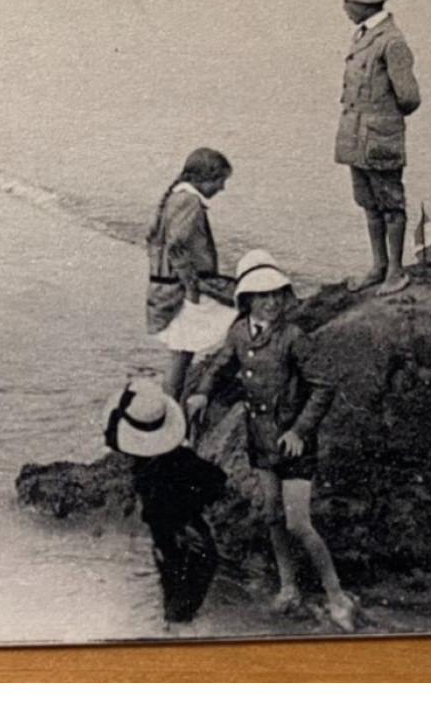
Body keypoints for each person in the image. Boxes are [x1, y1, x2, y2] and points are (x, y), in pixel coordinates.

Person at [185, 250, 357, 632]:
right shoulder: (238, 333)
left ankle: (337, 595)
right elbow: (218, 366)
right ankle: (288, 586)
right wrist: (201, 394)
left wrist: (299, 430)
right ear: (246, 300)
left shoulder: (293, 338)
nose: (273, 301)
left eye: (278, 293)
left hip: (293, 443)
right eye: (263, 295)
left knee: (299, 522)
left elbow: (323, 386)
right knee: (272, 514)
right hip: (260, 442)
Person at [103, 377, 225, 624]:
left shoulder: (149, 474)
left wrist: (181, 524)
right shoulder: (179, 459)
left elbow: (155, 515)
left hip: (180, 545)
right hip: (191, 539)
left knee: (176, 603)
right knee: (181, 602)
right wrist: (194, 511)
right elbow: (217, 480)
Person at [334, 0, 421, 296]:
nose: (344, 6)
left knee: (390, 204)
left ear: (365, 3)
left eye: (348, 0)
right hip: (357, 138)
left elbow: (410, 97)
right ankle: (379, 265)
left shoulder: (392, 41)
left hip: (379, 139)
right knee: (368, 202)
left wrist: (381, 117)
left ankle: (396, 272)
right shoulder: (363, 35)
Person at [146, 148, 236, 402]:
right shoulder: (189, 202)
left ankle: (171, 404)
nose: (222, 188)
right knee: (236, 317)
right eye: (220, 181)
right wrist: (192, 289)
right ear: (205, 178)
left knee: (181, 351)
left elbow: (157, 242)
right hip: (182, 286)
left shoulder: (176, 197)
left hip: (167, 284)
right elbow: (177, 246)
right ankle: (176, 402)